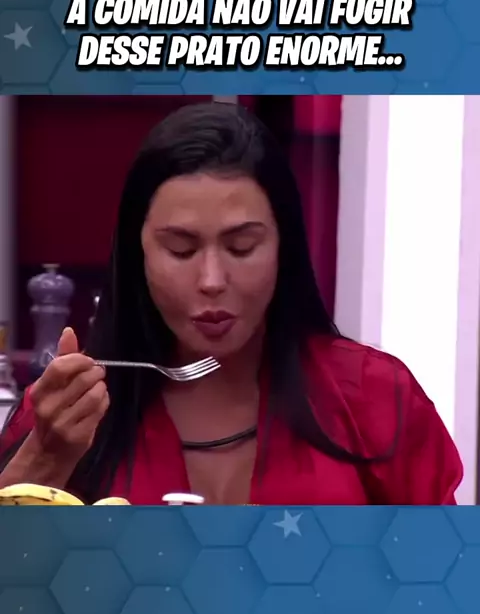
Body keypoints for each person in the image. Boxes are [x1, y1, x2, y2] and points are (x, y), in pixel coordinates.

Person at [0, 102, 463, 505]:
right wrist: (45, 457)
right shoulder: (62, 414)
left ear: (284, 247)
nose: (212, 281)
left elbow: (440, 573)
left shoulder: (375, 398)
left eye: (242, 247)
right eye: (181, 250)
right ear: (136, 253)